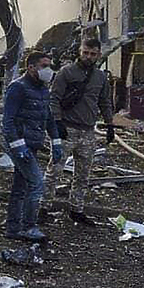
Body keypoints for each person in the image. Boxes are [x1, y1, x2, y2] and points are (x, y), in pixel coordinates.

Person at [43, 38, 114, 226]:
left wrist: (109, 125)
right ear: (79, 52)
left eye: (92, 54)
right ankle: (43, 207)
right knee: (54, 171)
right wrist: (57, 123)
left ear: (98, 55)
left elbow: (105, 101)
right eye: (85, 52)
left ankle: (77, 209)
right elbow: (54, 98)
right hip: (67, 128)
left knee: (83, 175)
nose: (88, 57)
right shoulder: (66, 73)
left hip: (88, 132)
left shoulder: (100, 77)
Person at [1, 51, 62, 242]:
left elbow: (48, 117)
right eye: (44, 66)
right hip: (20, 144)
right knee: (37, 185)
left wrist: (56, 141)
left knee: (21, 186)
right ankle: (29, 226)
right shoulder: (18, 88)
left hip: (32, 143)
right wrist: (18, 146)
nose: (48, 70)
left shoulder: (43, 89)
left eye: (49, 66)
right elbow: (8, 121)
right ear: (31, 67)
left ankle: (13, 228)